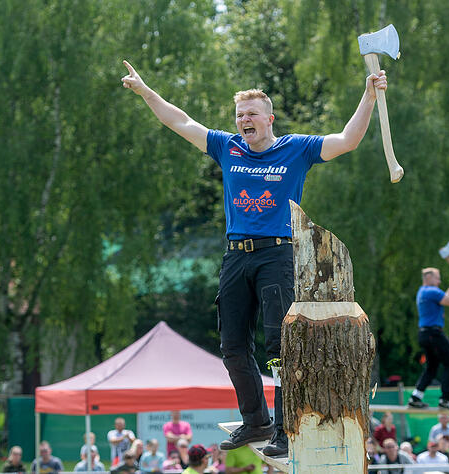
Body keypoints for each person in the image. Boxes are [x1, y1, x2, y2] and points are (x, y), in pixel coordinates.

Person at [122, 53, 389, 457]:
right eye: (239, 114)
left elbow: (347, 141)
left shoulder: (296, 149)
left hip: (278, 256)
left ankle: (285, 429)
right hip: (235, 256)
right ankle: (256, 422)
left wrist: (368, 95)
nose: (243, 120)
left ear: (270, 118)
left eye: (251, 113)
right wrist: (145, 91)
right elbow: (180, 121)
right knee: (231, 345)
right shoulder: (226, 147)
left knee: (279, 347)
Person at [407, 267, 449, 409]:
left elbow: (445, 297)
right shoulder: (431, 291)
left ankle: (416, 397)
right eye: (437, 277)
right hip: (434, 334)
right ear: (428, 278)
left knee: (431, 368)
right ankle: (445, 400)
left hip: (425, 334)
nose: (439, 280)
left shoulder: (423, 292)